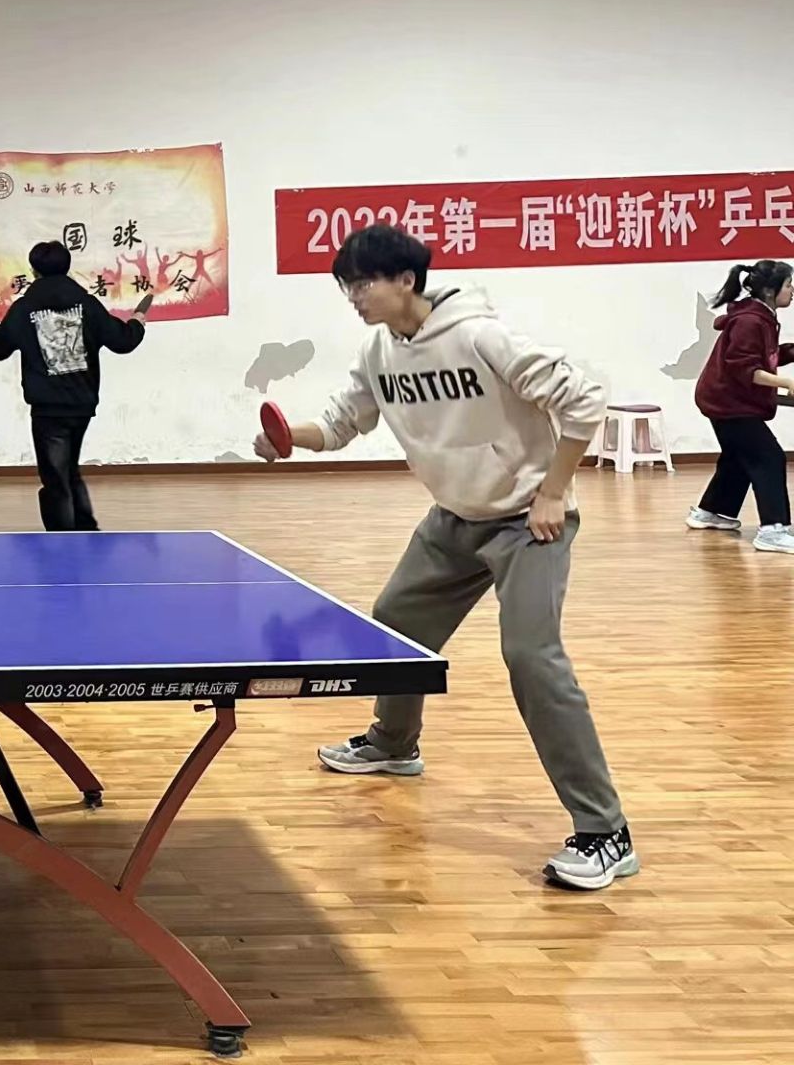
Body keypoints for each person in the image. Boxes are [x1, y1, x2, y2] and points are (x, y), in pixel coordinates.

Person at [257, 223, 633, 891]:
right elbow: (342, 423)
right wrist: (292, 439)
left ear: (407, 280)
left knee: (532, 659)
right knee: (396, 621)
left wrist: (552, 492)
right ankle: (393, 744)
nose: (354, 297)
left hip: (527, 522)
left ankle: (606, 832)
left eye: (363, 283)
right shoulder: (379, 351)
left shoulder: (481, 335)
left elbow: (584, 400)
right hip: (455, 519)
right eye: (347, 287)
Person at [0, 241, 146, 531]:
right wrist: (137, 323)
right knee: (68, 471)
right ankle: (87, 531)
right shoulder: (88, 305)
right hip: (82, 405)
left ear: (34, 271)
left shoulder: (24, 309)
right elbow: (123, 341)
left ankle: (62, 541)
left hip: (47, 409)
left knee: (56, 478)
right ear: (67, 268)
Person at [688, 259, 794, 552]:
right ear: (771, 290)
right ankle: (773, 530)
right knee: (768, 457)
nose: (793, 291)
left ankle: (711, 512)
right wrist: (786, 383)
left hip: (726, 399)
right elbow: (743, 368)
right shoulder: (750, 321)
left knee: (738, 457)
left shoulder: (761, 316)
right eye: (789, 285)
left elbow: (765, 356)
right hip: (728, 403)